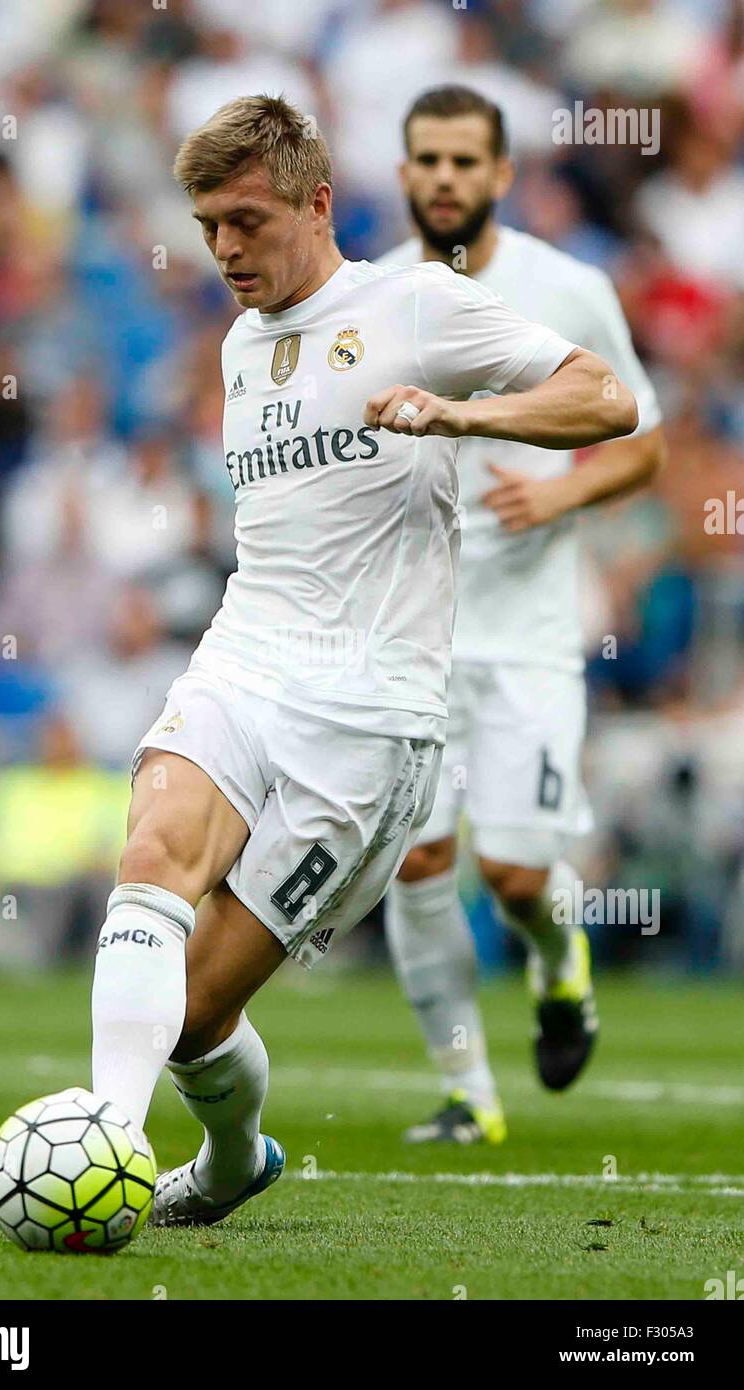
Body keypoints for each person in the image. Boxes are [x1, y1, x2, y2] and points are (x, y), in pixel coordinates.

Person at [89, 94, 638, 1227]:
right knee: (148, 854)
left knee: (194, 1014)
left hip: (371, 719)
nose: (225, 249)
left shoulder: (416, 303)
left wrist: (459, 417)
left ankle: (233, 1155)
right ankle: (104, 1139)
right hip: (245, 663)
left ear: (317, 202)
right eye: (206, 227)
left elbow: (608, 397)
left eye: (245, 220)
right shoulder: (241, 344)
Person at [377, 86, 665, 1145]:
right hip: (411, 637)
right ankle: (468, 1095)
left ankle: (559, 965)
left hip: (530, 637)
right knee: (414, 860)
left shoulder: (567, 287)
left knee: (509, 871)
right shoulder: (376, 295)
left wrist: (558, 489)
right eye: (425, 159)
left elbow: (643, 441)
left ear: (501, 174)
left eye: (463, 160)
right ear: (403, 172)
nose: (443, 178)